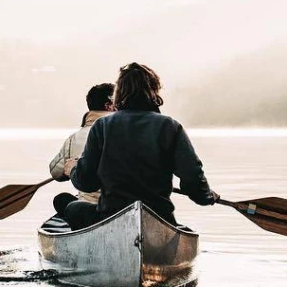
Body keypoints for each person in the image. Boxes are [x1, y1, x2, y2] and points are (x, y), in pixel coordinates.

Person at [61, 62, 218, 230]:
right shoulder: (170, 127)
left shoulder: (102, 126)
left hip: (111, 216)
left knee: (72, 208)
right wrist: (207, 196)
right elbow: (193, 180)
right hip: (159, 219)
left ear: (119, 93)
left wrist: (72, 170)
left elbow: (86, 182)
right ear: (154, 90)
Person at [49, 82, 114, 221]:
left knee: (63, 201)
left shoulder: (74, 139)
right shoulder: (125, 132)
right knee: (62, 200)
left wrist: (70, 169)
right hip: (121, 206)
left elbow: (55, 172)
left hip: (92, 209)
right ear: (109, 105)